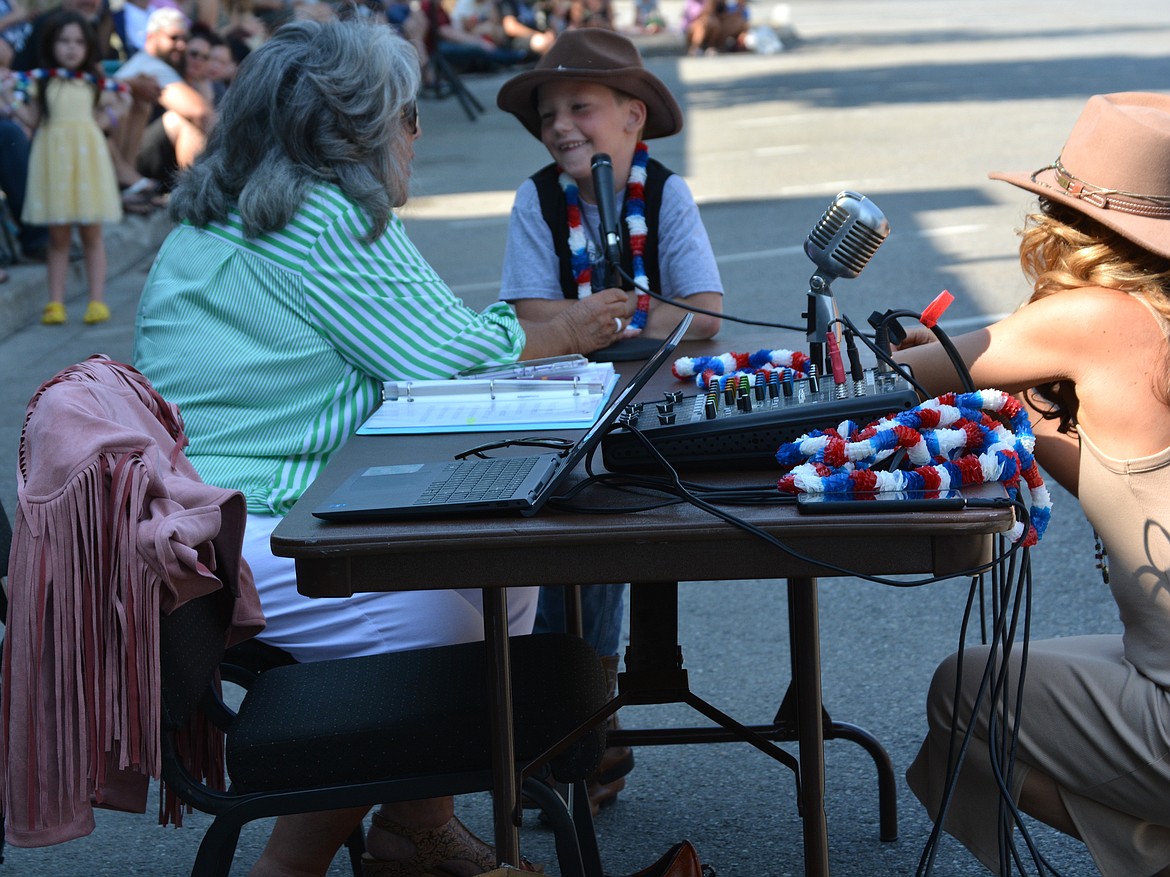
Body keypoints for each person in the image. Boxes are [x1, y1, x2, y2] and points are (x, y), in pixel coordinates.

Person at [132, 17, 629, 877]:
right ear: (353, 127)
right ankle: (291, 865)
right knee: (446, 611)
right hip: (249, 521)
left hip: (213, 509)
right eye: (405, 115)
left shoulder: (244, 202)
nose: (416, 131)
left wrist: (535, 332)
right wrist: (579, 324)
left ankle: (414, 830)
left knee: (490, 586)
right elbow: (449, 355)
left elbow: (427, 341)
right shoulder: (323, 213)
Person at [897, 91, 1170, 877]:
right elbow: (1117, 481)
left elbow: (888, 376)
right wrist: (1021, 392)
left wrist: (936, 352)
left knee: (961, 692)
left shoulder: (1097, 317)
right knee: (1008, 688)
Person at [496, 27, 724, 814]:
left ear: (633, 116)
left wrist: (614, 316)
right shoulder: (536, 199)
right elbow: (529, 311)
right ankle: (566, 709)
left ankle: (593, 702)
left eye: (580, 107)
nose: (560, 124)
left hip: (649, 398)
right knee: (557, 539)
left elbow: (707, 313)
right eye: (548, 112)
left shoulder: (666, 195)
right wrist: (609, 318)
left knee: (613, 535)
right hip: (558, 395)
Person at [4, 9, 126, 325]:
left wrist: (107, 118)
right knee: (57, 236)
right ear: (50, 45)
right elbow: (32, 119)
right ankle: (55, 302)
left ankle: (96, 300)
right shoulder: (41, 83)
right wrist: (12, 103)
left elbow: (114, 107)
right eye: (63, 41)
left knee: (91, 232)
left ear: (87, 46)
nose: (70, 48)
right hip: (53, 160)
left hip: (87, 159)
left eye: (77, 41)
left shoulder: (94, 83)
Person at [112, 7, 215, 191]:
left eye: (185, 39)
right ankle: (193, 196)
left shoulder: (152, 64)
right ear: (152, 37)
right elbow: (200, 112)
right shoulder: (151, 66)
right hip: (122, 159)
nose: (181, 45)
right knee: (179, 121)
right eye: (174, 38)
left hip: (129, 155)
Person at [682, 0, 747, 55]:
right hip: (693, 27)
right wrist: (711, 5)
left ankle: (716, 47)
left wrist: (740, 6)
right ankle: (695, 48)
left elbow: (722, 15)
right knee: (710, 22)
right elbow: (698, 16)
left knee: (737, 22)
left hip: (714, 24)